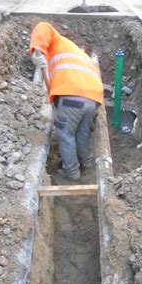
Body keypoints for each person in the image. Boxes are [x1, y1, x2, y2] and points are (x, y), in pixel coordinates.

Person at [29, 22, 103, 181]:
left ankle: (71, 171)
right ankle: (87, 163)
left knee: (66, 135)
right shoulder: (82, 56)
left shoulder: (58, 41)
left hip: (70, 97)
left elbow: (43, 27)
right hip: (93, 98)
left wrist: (38, 50)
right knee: (82, 133)